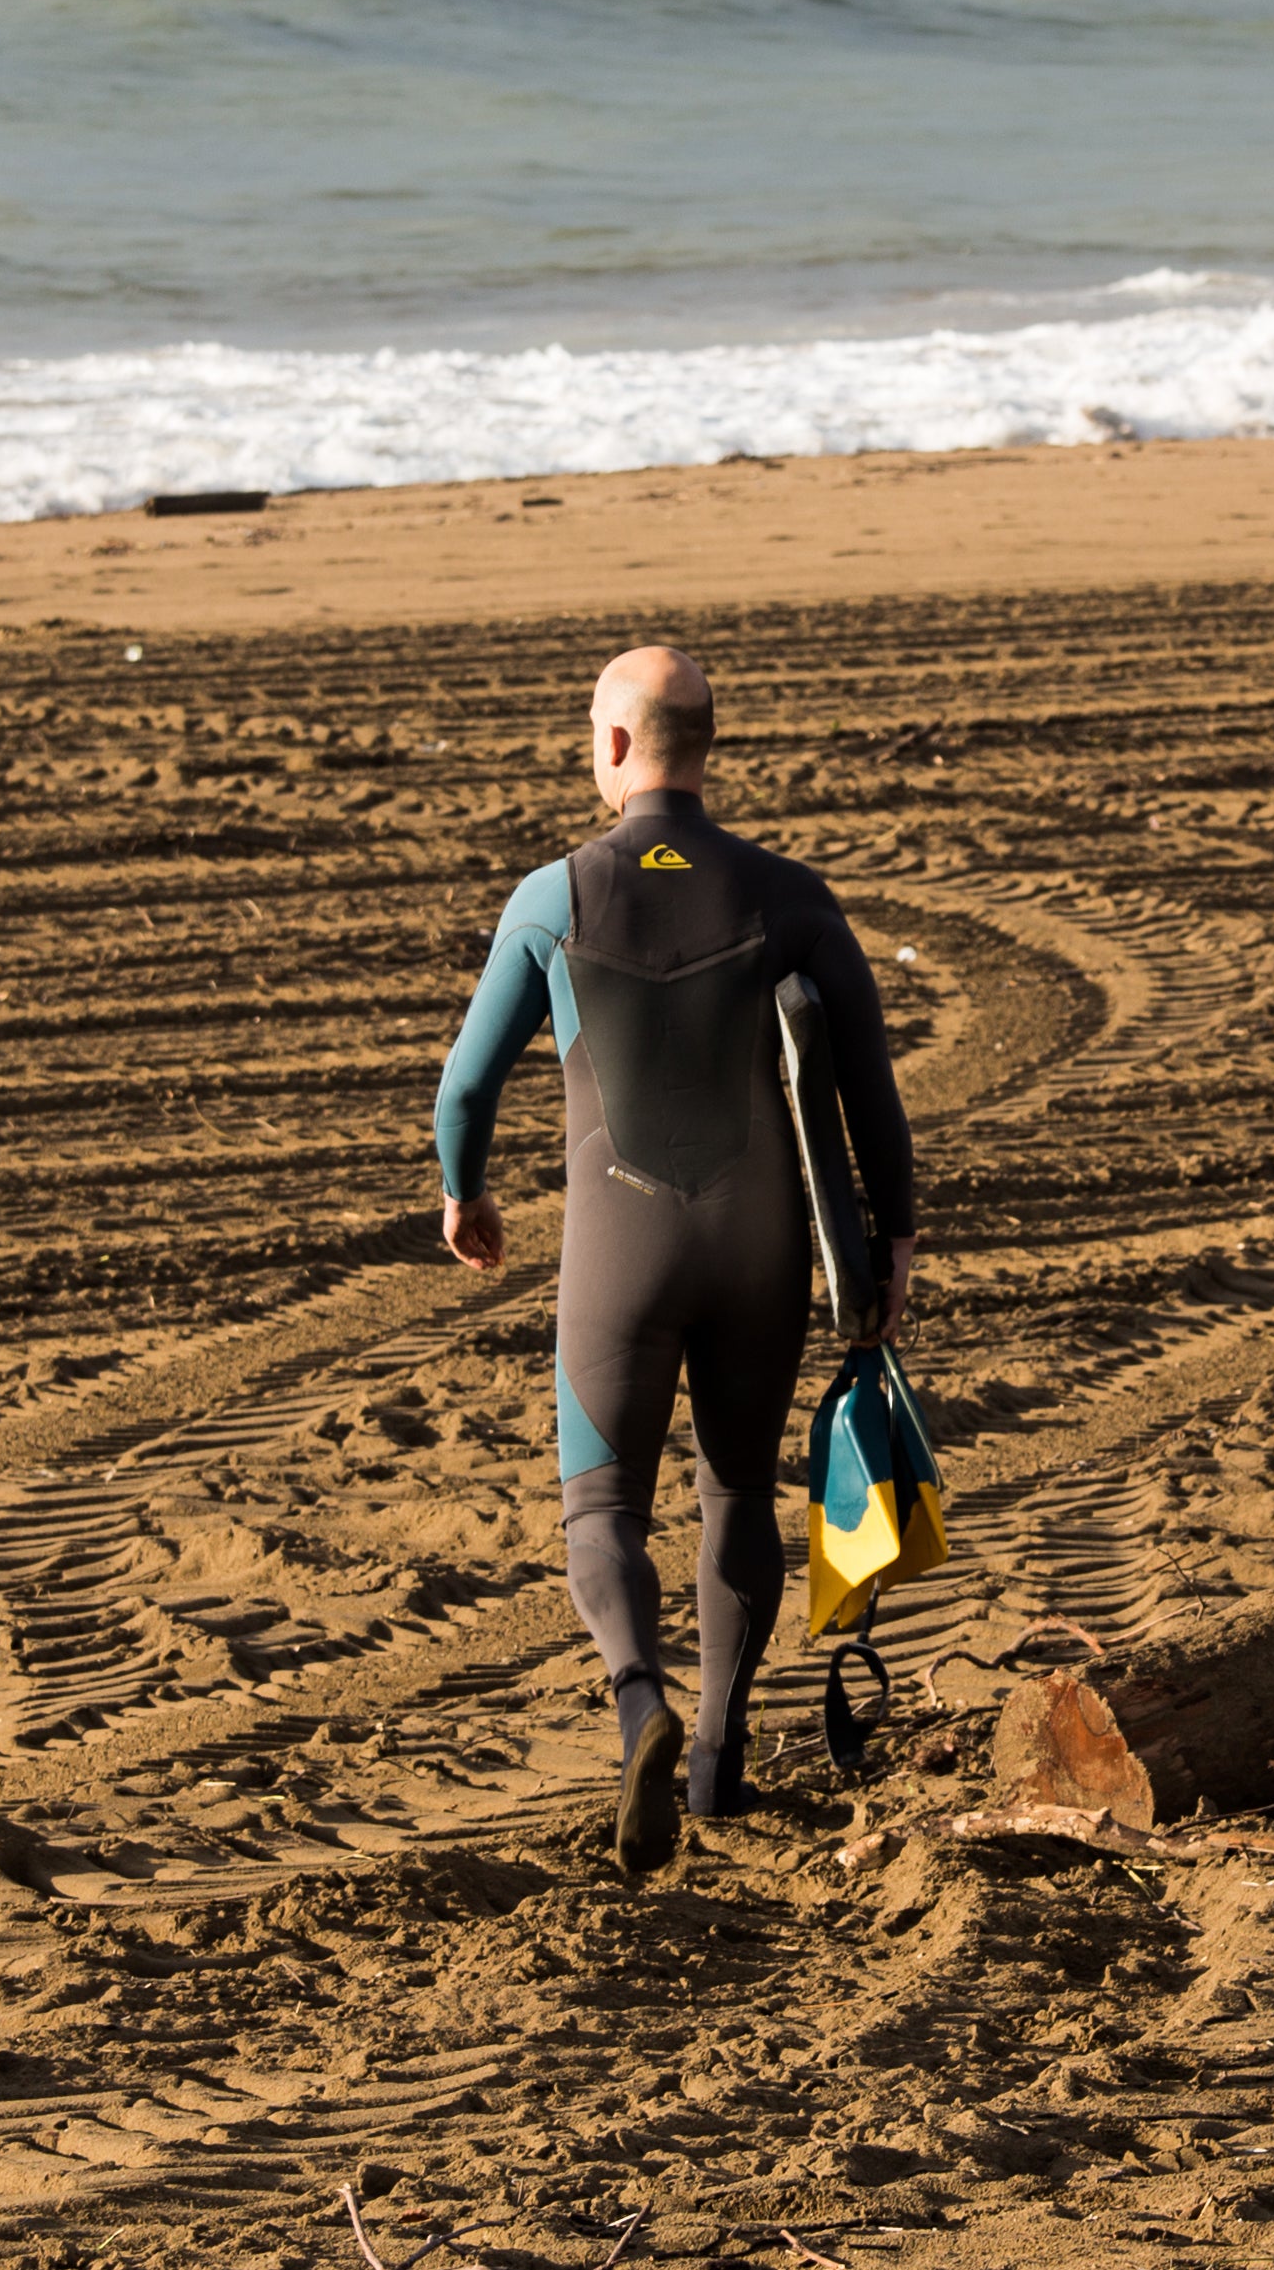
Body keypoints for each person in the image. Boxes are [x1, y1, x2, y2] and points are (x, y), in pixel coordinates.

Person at [431, 644, 918, 1876]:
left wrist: (464, 1193)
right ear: (706, 747)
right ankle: (713, 1754)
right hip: (757, 1254)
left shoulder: (554, 896)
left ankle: (636, 1699)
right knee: (738, 1493)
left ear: (608, 747)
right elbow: (868, 1088)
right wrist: (891, 1240)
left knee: (602, 1504)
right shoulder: (792, 896)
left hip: (619, 1247)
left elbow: (466, 1084)